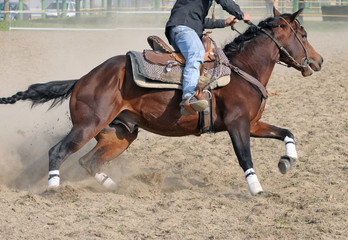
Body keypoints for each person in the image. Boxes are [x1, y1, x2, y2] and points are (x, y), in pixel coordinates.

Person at [165, 0, 251, 116]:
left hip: (183, 27)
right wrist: (240, 14)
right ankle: (189, 95)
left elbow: (199, 21)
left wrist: (224, 22)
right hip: (184, 28)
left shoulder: (192, 8)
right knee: (196, 53)